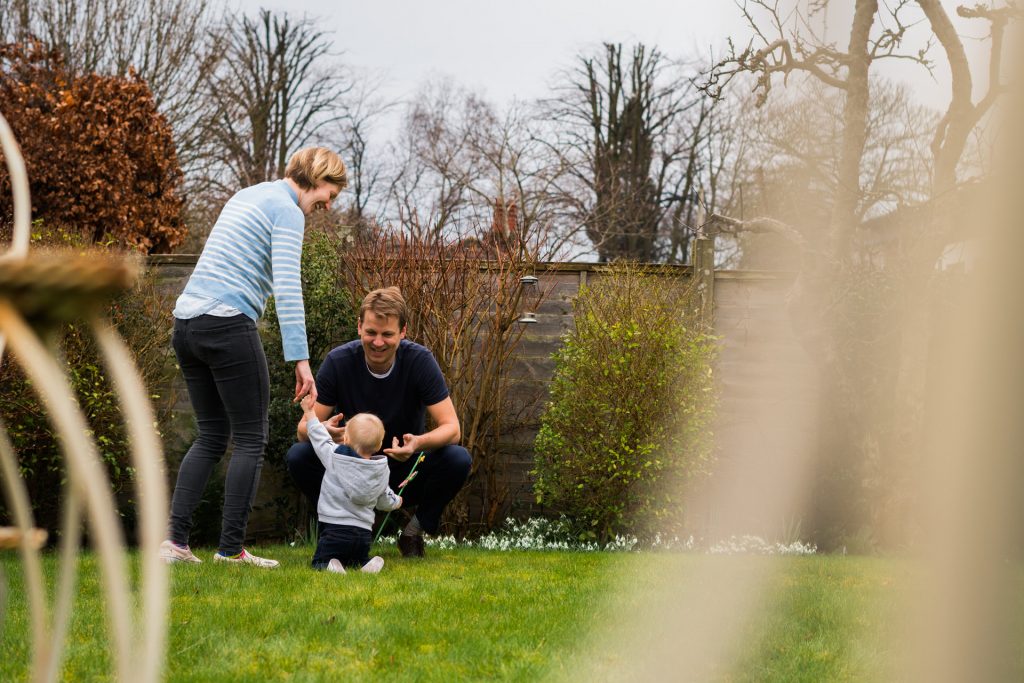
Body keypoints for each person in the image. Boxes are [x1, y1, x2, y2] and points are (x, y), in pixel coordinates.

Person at [160, 147, 348, 568]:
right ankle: (230, 550)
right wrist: (300, 360)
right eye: (328, 194)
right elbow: (287, 286)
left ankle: (174, 544)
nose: (328, 205)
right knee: (250, 436)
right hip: (227, 321)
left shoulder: (248, 194)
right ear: (315, 178)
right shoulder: (287, 211)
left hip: (187, 323)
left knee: (211, 435)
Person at [286, 286, 472, 558]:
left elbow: (452, 429)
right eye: (371, 332)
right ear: (359, 326)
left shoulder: (420, 361)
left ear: (403, 332)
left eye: (387, 334)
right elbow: (304, 430)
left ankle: (412, 533)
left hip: (403, 469)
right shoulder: (339, 362)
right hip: (352, 468)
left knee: (458, 459)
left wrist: (417, 443)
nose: (378, 342)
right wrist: (324, 431)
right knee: (299, 455)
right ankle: (342, 526)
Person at [300, 396, 400, 574]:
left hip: (334, 528)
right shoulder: (381, 471)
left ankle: (329, 564)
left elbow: (319, 438)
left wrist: (309, 412)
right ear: (378, 445)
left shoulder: (335, 456)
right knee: (356, 559)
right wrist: (397, 501)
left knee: (320, 560)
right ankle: (365, 563)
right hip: (363, 534)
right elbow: (385, 499)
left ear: (345, 438)